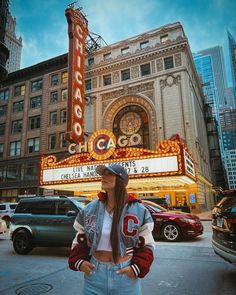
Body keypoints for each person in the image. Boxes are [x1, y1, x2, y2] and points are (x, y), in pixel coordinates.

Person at [68, 164, 155, 295]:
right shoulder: (90, 209)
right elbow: (80, 238)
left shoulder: (139, 210)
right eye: (103, 174)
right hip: (95, 274)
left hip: (125, 276)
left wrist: (136, 268)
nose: (103, 177)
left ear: (121, 180)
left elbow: (147, 244)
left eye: (109, 174)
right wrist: (80, 262)